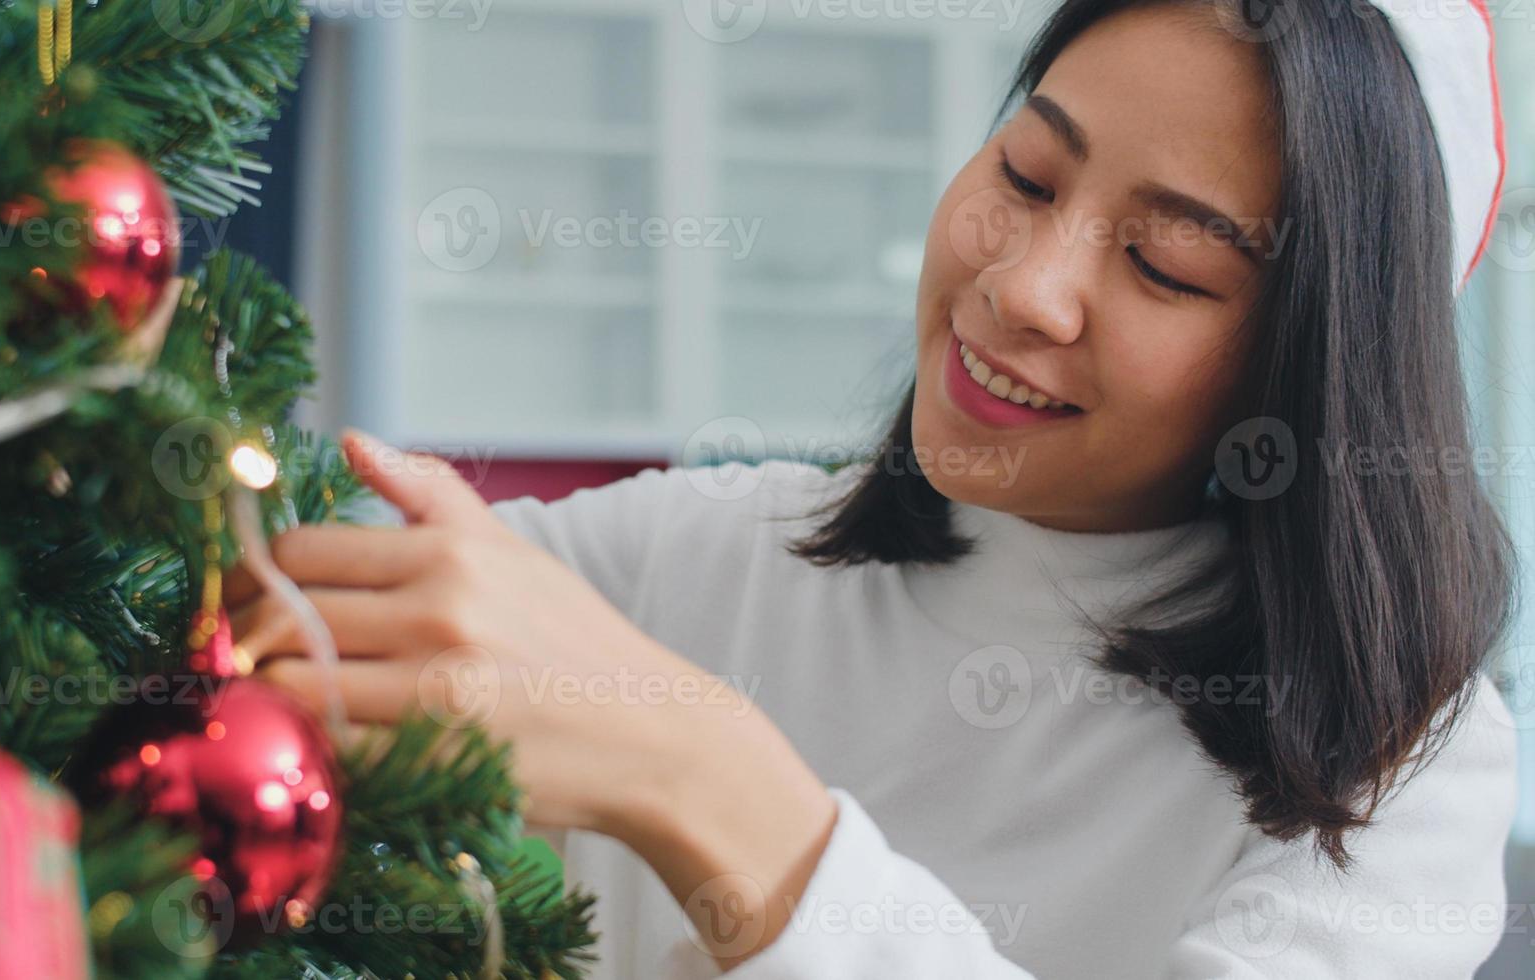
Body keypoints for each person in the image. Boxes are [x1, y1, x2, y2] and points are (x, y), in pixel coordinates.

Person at [224, 0, 1521, 974]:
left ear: (1310, 363)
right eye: (1024, 174)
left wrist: (710, 787)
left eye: (1165, 263)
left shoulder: (1408, 772)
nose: (1020, 285)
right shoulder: (697, 553)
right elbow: (248, 638)